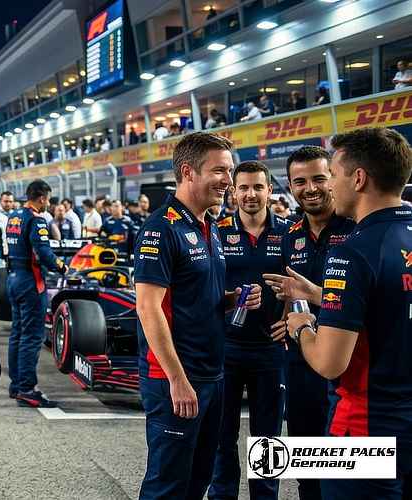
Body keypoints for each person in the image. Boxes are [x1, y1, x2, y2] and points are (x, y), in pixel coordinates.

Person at [133, 132, 262, 499]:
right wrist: (176, 379)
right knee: (167, 486)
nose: (228, 180)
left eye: (230, 170)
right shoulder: (161, 228)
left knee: (198, 479)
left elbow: (192, 295)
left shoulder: (208, 226)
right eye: (219, 170)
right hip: (175, 378)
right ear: (188, 172)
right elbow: (148, 307)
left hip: (212, 375)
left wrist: (230, 299)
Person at [285, 127, 412, 498]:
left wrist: (302, 326)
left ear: (358, 179)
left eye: (333, 176)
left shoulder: (352, 252)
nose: (329, 188)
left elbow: (329, 363)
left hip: (365, 427)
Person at [262, 145, 355, 500]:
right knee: (309, 460)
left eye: (318, 178)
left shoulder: (359, 227)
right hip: (302, 361)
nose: (310, 188)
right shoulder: (289, 236)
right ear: (289, 186)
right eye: (300, 181)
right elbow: (288, 292)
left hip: (350, 362)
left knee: (359, 467)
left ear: (334, 178)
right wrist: (285, 319)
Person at [208, 161, 291, 500]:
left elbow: (298, 283)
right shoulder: (217, 231)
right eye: (243, 187)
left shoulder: (288, 232)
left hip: (271, 351)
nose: (250, 194)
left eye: (258, 187)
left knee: (268, 438)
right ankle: (222, 494)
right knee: (222, 435)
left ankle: (265, 496)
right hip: (225, 349)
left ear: (269, 190)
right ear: (234, 191)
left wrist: (290, 317)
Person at [5, 180, 65, 408]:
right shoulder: (36, 219)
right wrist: (61, 266)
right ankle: (27, 389)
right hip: (31, 282)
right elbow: (44, 252)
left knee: (18, 333)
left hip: (13, 278)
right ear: (41, 198)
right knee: (31, 336)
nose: (48, 203)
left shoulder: (14, 216)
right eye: (48, 199)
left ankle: (16, 385)